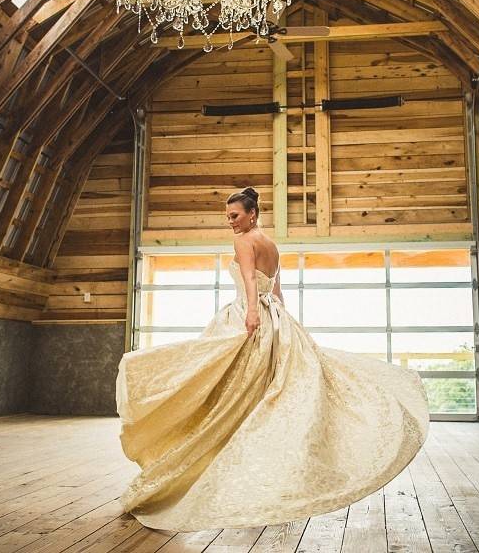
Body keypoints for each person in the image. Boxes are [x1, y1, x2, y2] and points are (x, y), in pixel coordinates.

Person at [115, 186, 430, 532]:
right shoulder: (272, 244)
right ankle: (239, 459)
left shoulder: (245, 241)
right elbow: (277, 291)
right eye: (228, 217)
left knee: (218, 388)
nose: (230, 222)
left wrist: (251, 311)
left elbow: (250, 279)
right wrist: (279, 320)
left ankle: (210, 453)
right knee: (251, 390)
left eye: (234, 216)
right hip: (276, 320)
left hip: (248, 317)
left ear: (251, 214)